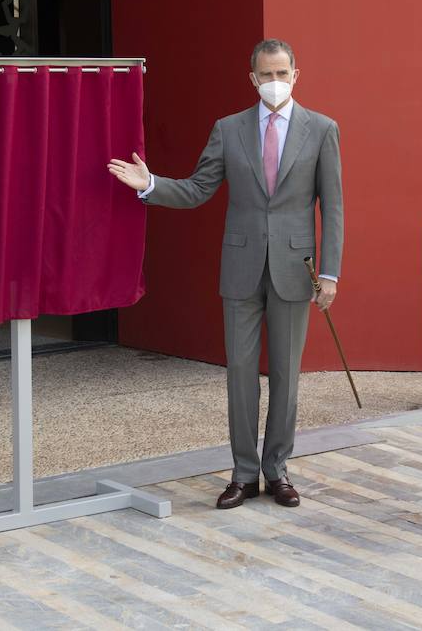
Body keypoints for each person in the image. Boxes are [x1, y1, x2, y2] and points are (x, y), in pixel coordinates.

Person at [107, 40, 344, 510]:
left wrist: (331, 274)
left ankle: (278, 470)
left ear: (296, 74)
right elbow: (198, 188)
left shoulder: (322, 129)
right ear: (252, 78)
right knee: (239, 373)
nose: (274, 82)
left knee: (286, 376)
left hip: (296, 270)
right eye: (265, 75)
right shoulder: (229, 129)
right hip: (240, 267)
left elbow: (332, 207)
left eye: (282, 73)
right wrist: (150, 184)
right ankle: (243, 474)